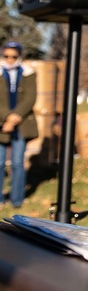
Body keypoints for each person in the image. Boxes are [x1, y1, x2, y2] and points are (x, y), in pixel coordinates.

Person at [0, 41, 38, 209]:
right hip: (2, 123)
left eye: (13, 56)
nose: (9, 60)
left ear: (19, 56)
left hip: (21, 124)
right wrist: (7, 117)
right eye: (6, 56)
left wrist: (15, 117)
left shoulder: (28, 73)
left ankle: (17, 199)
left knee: (17, 162)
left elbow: (30, 98)